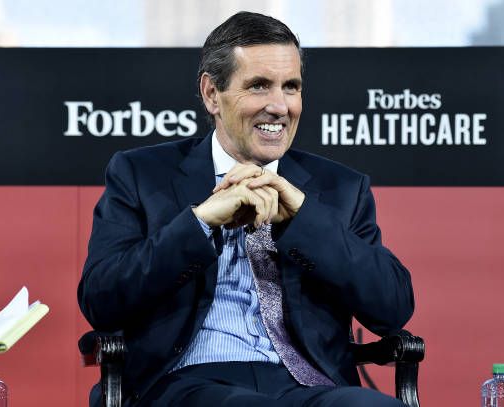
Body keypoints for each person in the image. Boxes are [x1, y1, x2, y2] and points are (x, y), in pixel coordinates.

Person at [78, 11, 414, 407]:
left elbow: (392, 308)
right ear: (211, 94)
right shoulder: (142, 174)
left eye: (291, 87)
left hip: (309, 386)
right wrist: (200, 222)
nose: (279, 106)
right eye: (259, 86)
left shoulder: (339, 188)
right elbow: (102, 299)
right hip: (187, 384)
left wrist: (304, 221)